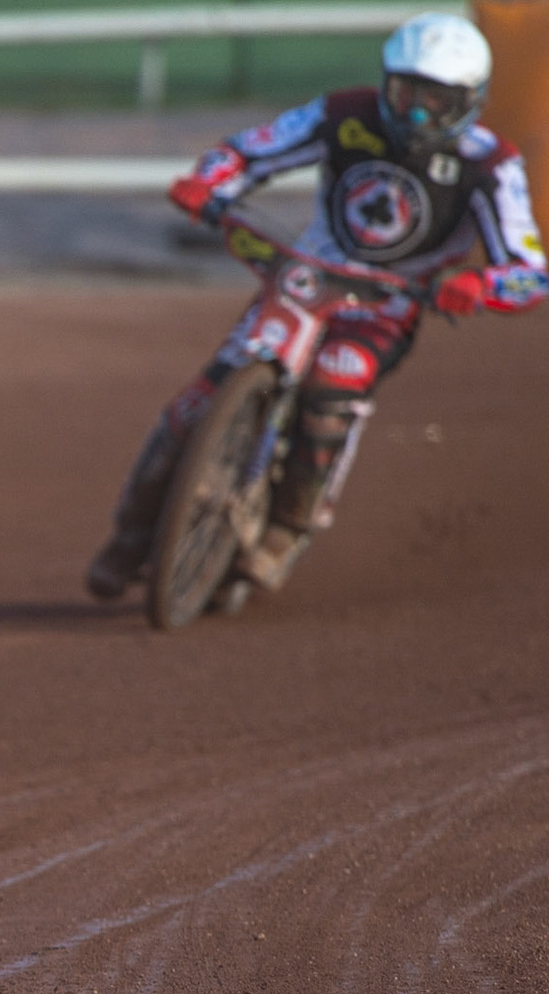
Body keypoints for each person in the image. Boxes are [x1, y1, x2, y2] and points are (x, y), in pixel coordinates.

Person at [86, 13, 546, 599]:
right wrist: (210, 183)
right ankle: (131, 533)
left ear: (469, 102)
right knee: (197, 403)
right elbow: (252, 149)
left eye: (434, 100)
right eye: (405, 93)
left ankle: (286, 529)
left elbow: (530, 272)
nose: (415, 113)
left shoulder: (492, 165)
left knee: (333, 392)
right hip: (305, 277)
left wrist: (478, 286)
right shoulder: (343, 114)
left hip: (390, 301)